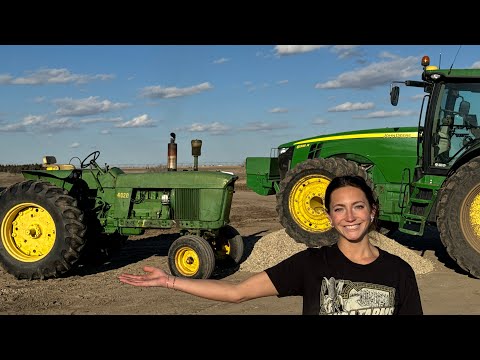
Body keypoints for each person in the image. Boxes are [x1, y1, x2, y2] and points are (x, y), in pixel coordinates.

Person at [118, 175, 423, 315]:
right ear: (329, 217)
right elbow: (236, 293)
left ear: (372, 212)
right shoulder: (311, 264)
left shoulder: (399, 271)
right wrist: (171, 281)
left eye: (358, 206)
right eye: (339, 208)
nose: (349, 216)